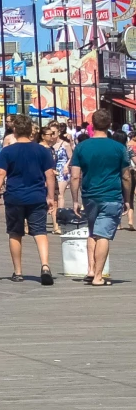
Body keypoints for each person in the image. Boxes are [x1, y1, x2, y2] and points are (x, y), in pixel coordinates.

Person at [0, 115, 58, 285]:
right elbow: (49, 175)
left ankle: (18, 271)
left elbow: (0, 173)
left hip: (14, 197)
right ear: (32, 132)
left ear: (15, 130)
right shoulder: (42, 150)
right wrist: (50, 196)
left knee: (15, 233)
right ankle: (45, 266)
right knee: (40, 232)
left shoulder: (8, 151)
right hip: (37, 196)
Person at [71, 114, 131, 285]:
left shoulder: (82, 147)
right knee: (103, 234)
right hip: (111, 195)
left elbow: (75, 177)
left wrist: (75, 200)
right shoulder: (118, 148)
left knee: (93, 232)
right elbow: (126, 176)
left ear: (93, 124)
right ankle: (98, 276)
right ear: (109, 124)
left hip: (90, 195)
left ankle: (90, 268)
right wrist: (127, 199)